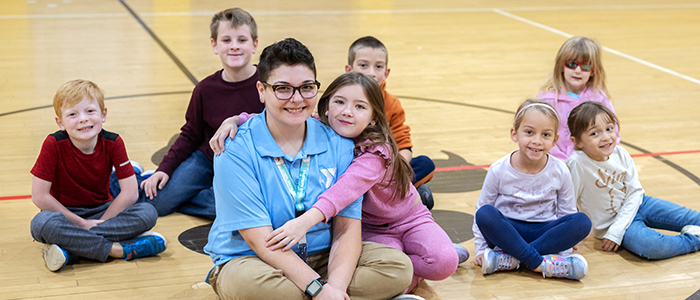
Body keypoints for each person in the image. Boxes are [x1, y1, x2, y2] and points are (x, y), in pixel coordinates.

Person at [204, 38, 413, 300]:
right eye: (282, 88)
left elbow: (347, 227)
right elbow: (260, 241)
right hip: (254, 259)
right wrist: (318, 289)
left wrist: (334, 288)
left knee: (397, 268)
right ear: (261, 90)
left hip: (323, 256)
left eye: (306, 88)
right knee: (252, 287)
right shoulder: (233, 148)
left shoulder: (339, 143)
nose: (296, 99)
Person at [228, 72, 459, 297]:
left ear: (374, 117)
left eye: (360, 106)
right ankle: (415, 265)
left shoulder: (377, 148)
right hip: (368, 227)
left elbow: (344, 190)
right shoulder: (321, 128)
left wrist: (303, 223)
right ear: (326, 106)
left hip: (409, 218)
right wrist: (236, 120)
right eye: (340, 102)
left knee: (445, 262)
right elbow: (275, 117)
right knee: (393, 269)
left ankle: (425, 257)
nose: (347, 112)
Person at [110, 8, 264, 219]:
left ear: (254, 44)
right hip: (208, 158)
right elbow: (190, 134)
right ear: (214, 45)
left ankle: (200, 197)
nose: (234, 46)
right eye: (226, 40)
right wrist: (165, 169)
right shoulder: (205, 89)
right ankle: (131, 179)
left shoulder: (267, 85)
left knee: (240, 209)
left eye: (242, 39)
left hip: (247, 165)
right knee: (159, 203)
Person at [30, 79, 166, 272]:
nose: (83, 119)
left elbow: (130, 193)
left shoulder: (114, 142)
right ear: (60, 122)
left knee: (147, 213)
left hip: (104, 212)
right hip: (64, 214)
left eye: (90, 111)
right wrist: (81, 223)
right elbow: (39, 196)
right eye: (73, 114)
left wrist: (101, 222)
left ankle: (72, 248)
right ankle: (117, 249)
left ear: (103, 115)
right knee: (41, 223)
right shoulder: (53, 144)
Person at [472, 99, 591, 280]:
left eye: (545, 135)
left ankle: (511, 259)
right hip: (508, 231)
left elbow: (566, 212)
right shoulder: (499, 169)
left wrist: (565, 251)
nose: (537, 141)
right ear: (514, 134)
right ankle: (541, 263)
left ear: (555, 140)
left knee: (581, 221)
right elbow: (481, 210)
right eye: (529, 132)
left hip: (544, 231)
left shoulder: (560, 170)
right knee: (485, 214)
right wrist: (481, 249)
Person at [566, 101, 700, 260]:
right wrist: (567, 236)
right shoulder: (577, 164)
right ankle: (694, 239)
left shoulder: (620, 153)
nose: (606, 137)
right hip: (614, 223)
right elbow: (567, 202)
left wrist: (617, 230)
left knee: (694, 218)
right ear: (577, 142)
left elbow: (635, 192)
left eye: (609, 129)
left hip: (641, 203)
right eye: (595, 133)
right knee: (652, 246)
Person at [345, 36, 437, 209]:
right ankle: (405, 196)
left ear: (386, 72)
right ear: (349, 69)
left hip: (384, 170)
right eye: (363, 65)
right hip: (351, 168)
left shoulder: (392, 104)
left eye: (378, 66)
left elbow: (404, 145)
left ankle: (389, 194)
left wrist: (393, 170)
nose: (371, 72)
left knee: (424, 164)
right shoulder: (341, 100)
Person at [538, 36, 619, 160]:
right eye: (571, 64)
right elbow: (542, 135)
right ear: (561, 66)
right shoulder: (548, 100)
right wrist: (562, 160)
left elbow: (613, 131)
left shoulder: (599, 99)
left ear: (593, 71)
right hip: (557, 161)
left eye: (585, 66)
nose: (577, 70)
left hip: (591, 161)